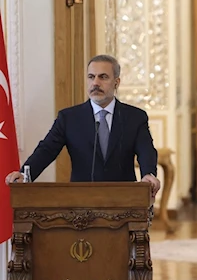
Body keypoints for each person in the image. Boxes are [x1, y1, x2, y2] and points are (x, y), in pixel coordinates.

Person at [5, 54, 161, 197]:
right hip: (80, 202)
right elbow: (47, 150)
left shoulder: (135, 117)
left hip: (123, 200)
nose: (95, 83)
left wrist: (148, 174)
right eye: (91, 77)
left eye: (103, 77)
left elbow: (146, 150)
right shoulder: (69, 118)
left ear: (116, 82)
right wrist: (26, 174)